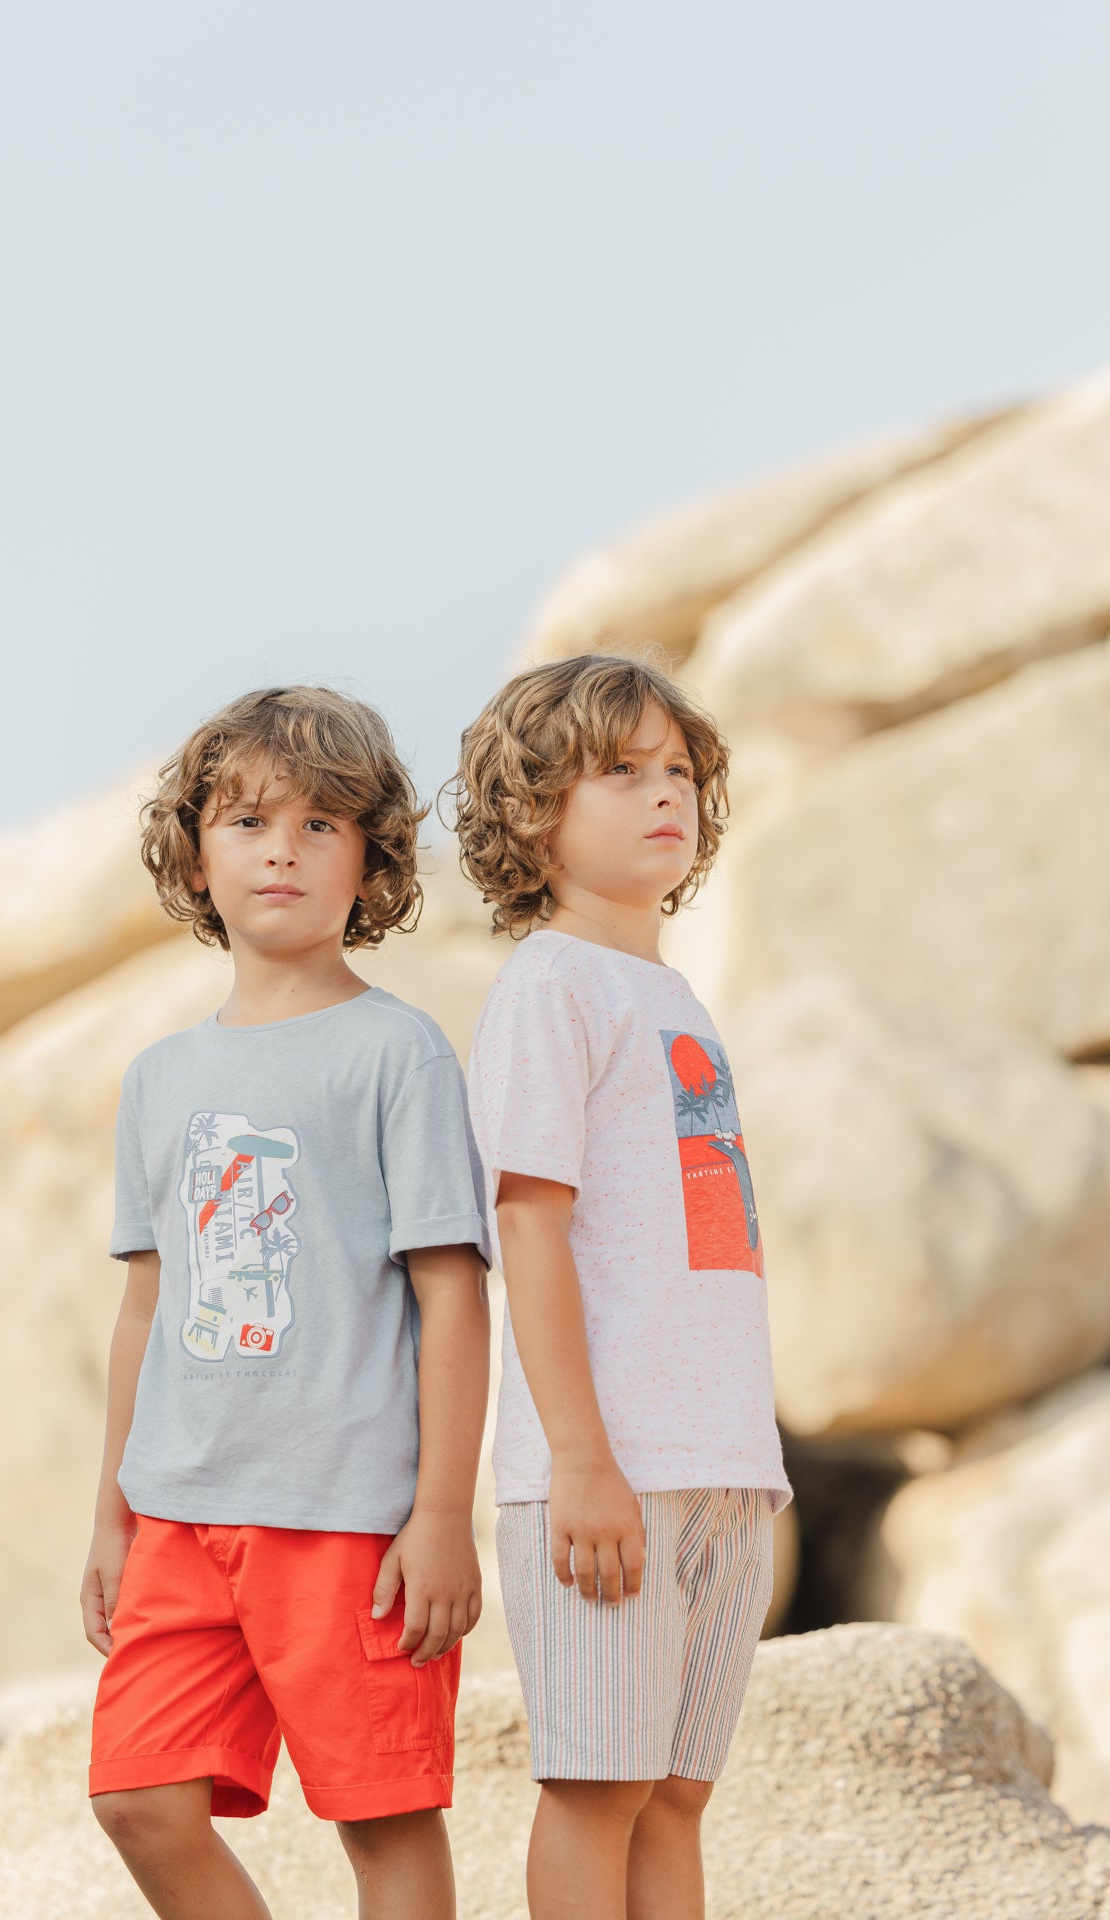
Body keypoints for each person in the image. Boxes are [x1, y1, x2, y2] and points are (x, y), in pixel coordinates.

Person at [81, 685, 491, 1920]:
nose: (283, 851)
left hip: (347, 1519)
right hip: (181, 1512)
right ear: (196, 857)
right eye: (250, 822)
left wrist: (442, 1515)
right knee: (139, 1800)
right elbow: (147, 1311)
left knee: (383, 1815)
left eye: (322, 825)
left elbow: (453, 1295)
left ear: (371, 864)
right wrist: (112, 1515)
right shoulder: (160, 1078)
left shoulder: (397, 1052)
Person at [450, 653, 791, 1920]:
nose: (665, 794)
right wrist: (581, 1458)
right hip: (607, 1470)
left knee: (676, 1795)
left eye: (679, 771)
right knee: (600, 1786)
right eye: (621, 771)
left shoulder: (674, 996)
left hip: (720, 1461)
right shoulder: (550, 986)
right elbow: (527, 1227)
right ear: (534, 812)